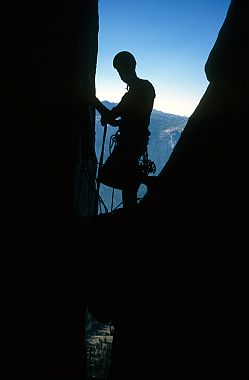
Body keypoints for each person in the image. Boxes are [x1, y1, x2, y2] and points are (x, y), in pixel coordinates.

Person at [90, 51, 156, 210]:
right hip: (137, 141)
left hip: (129, 144)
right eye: (119, 71)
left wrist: (93, 100)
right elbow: (135, 117)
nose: (121, 75)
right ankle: (133, 203)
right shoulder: (146, 87)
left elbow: (112, 115)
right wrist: (119, 122)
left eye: (121, 70)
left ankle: (143, 181)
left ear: (130, 67)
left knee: (108, 176)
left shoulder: (133, 93)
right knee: (127, 184)